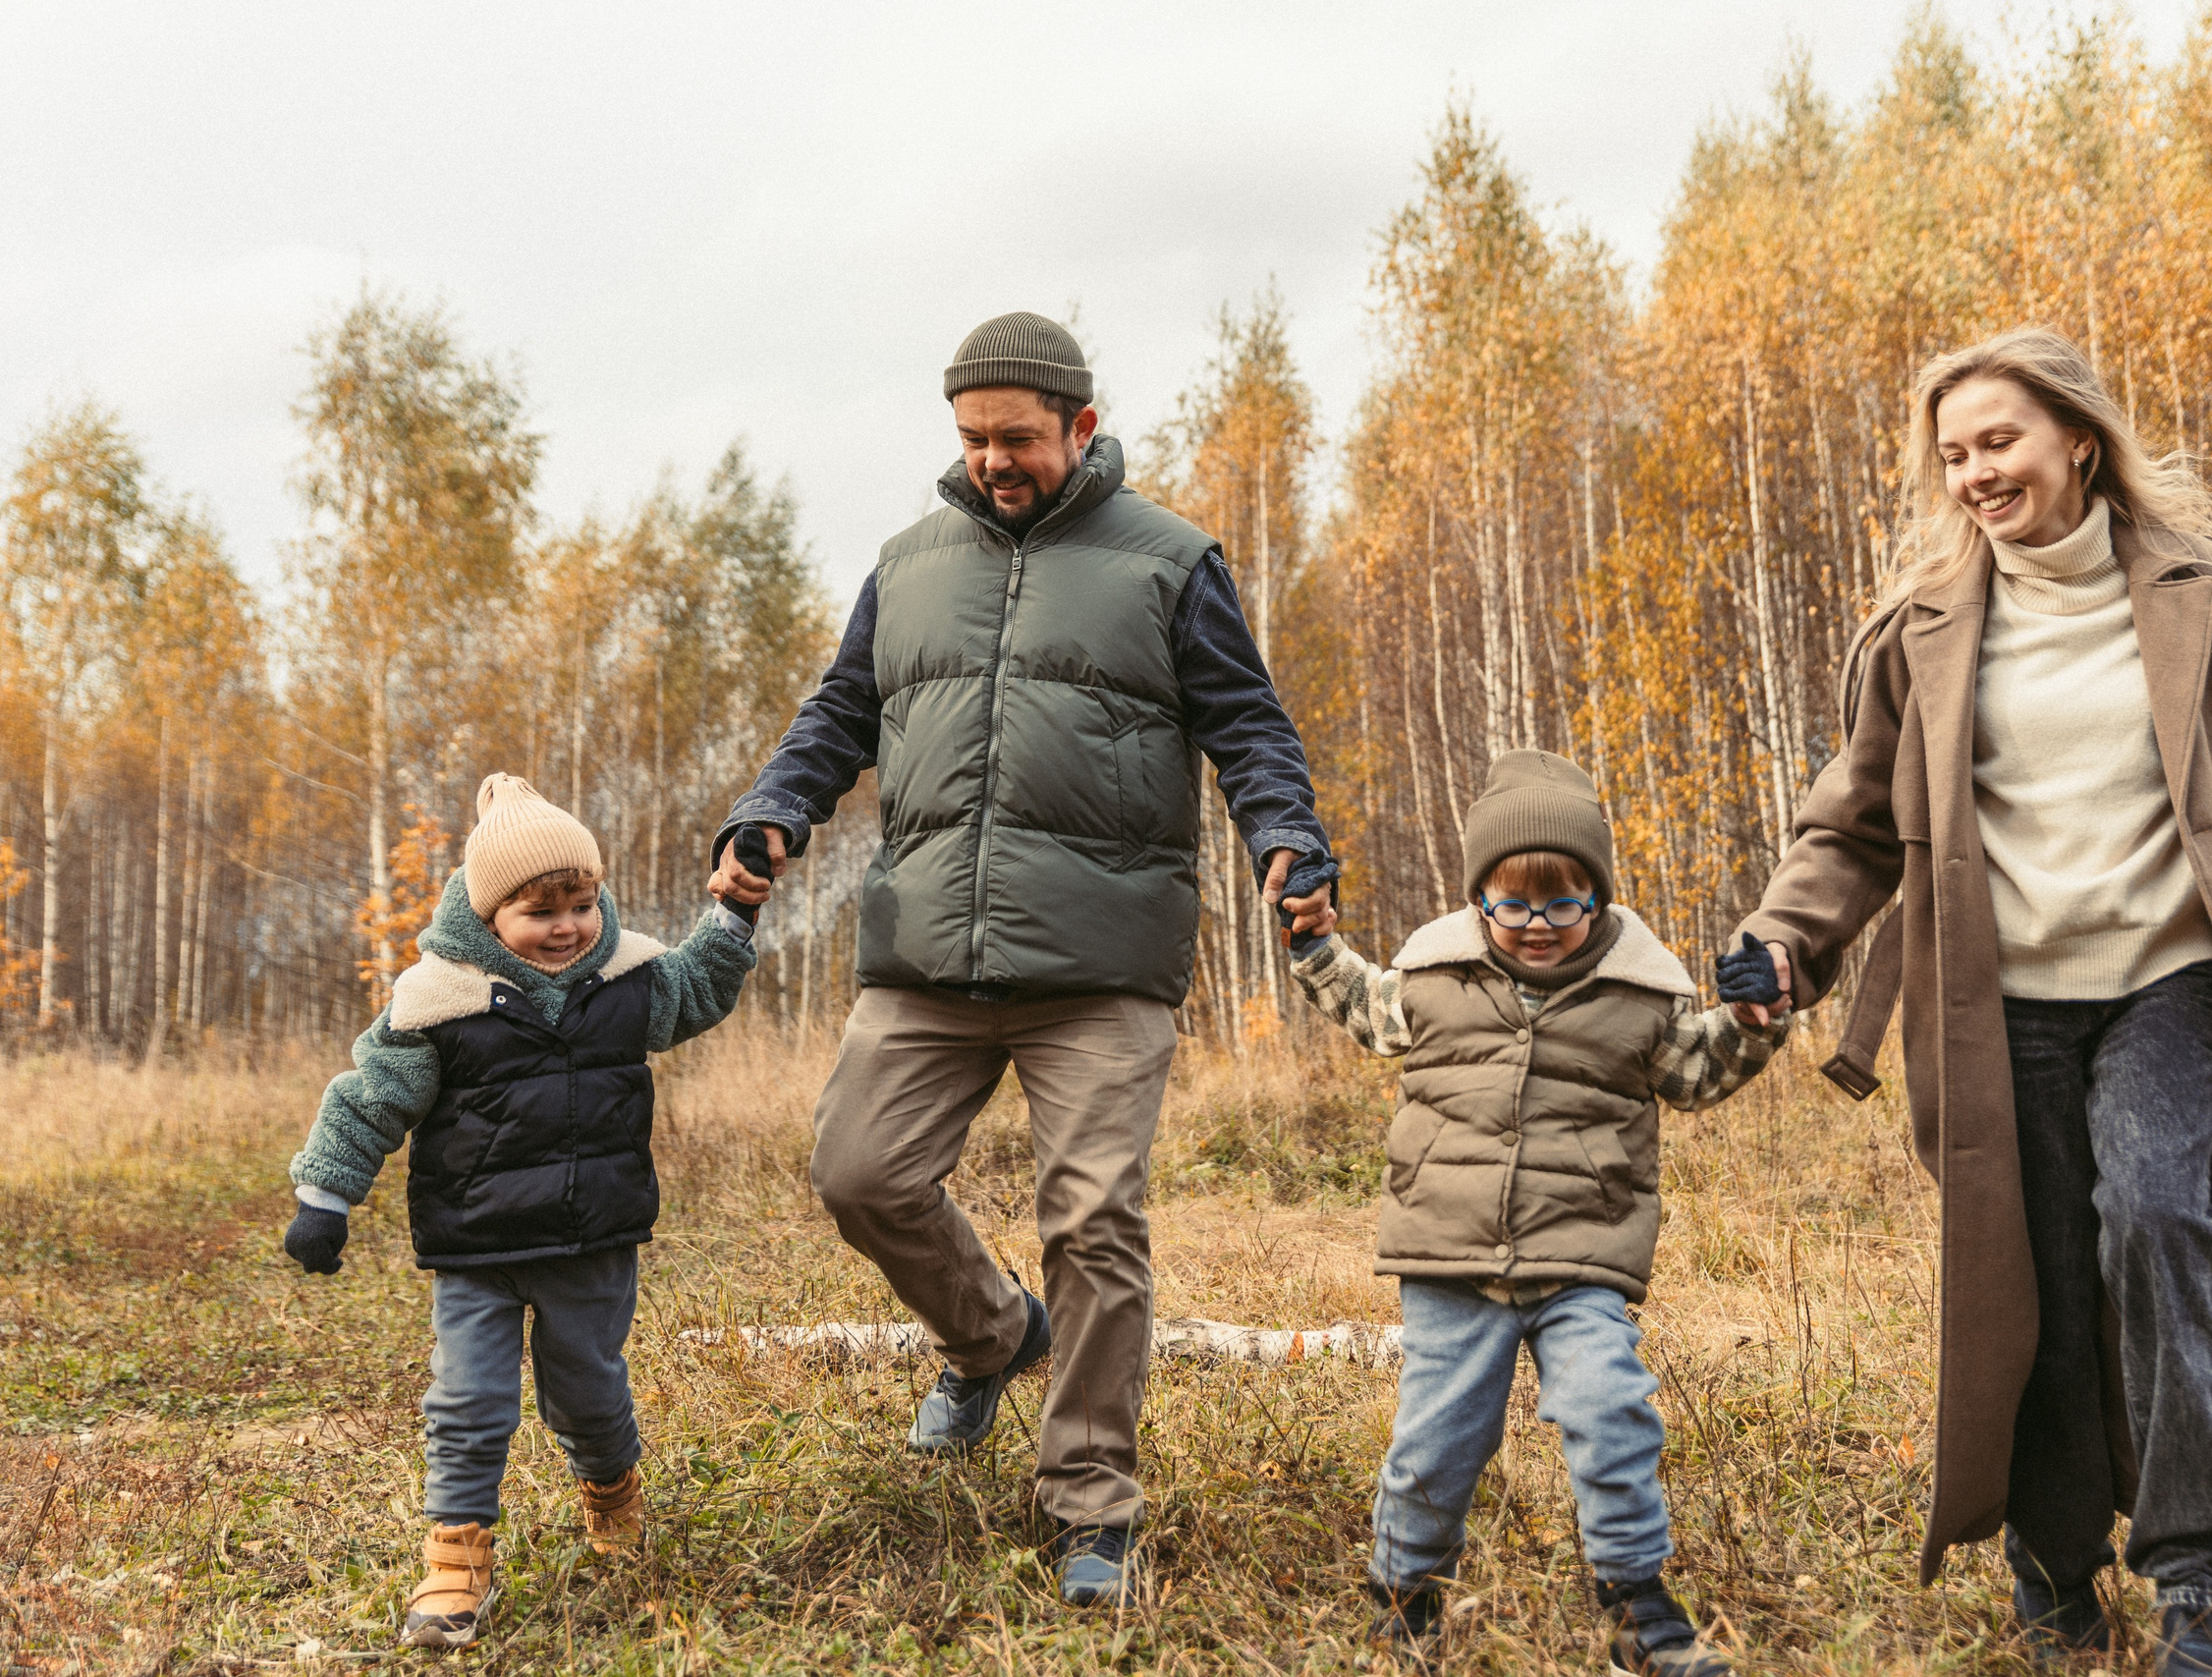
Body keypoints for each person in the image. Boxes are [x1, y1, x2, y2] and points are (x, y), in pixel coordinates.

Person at [1732, 328, 2212, 1674]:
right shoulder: (1919, 631)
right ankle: (2056, 1569)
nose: (1977, 472)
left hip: (2172, 976)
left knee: (2161, 1213)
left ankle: (2201, 1586)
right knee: (2033, 1276)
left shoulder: (2203, 591)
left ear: (2078, 440)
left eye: (1999, 441)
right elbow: (1854, 825)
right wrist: (1782, 944)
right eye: (1954, 455)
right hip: (2004, 1003)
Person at [709, 311, 1336, 1607]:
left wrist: (1286, 835)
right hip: (929, 947)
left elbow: (1252, 729)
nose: (994, 459)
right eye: (973, 437)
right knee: (858, 1171)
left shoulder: (1171, 562)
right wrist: (771, 812)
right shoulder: (910, 561)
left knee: (1092, 1216)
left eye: (1019, 438)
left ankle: (1089, 1498)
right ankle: (992, 1336)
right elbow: (839, 713)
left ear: (1083, 429)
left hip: (1103, 960)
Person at [1290, 750, 1788, 1675]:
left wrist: (1752, 1025)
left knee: (1613, 1408)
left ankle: (1638, 1602)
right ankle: (1403, 1599)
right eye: (1512, 904)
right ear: (1479, 899)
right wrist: (1313, 943)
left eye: (1563, 903)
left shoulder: (1641, 993)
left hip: (1581, 1251)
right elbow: (1364, 1006)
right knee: (1438, 1438)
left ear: (1596, 898)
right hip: (1451, 1250)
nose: (1537, 926)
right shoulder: (1436, 973)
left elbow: (1696, 1071)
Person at [283, 775, 758, 1649]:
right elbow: (367, 1100)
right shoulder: (440, 1001)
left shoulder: (626, 981)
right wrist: (326, 1195)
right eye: (541, 909)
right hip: (478, 1249)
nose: (568, 924)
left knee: (587, 1391)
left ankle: (612, 1491)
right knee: (469, 1399)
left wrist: (731, 918)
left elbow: (697, 989)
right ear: (489, 910)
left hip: (591, 1241)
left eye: (581, 902)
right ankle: (456, 1557)